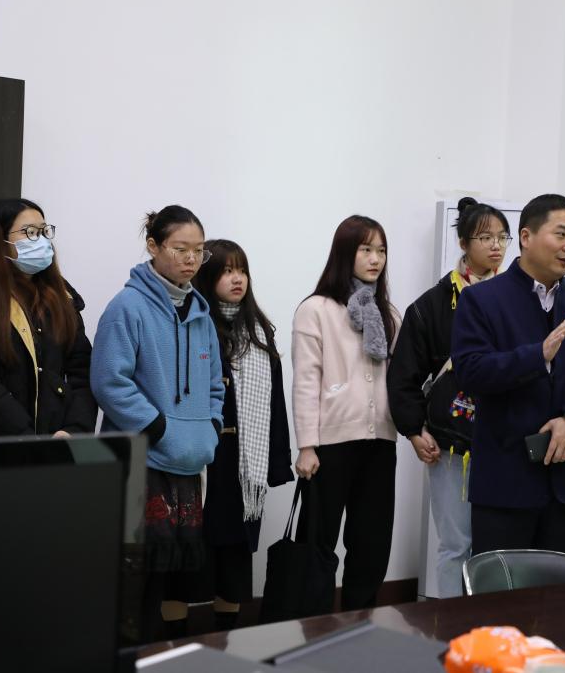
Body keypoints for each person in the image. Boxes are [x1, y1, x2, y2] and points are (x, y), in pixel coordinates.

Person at [451, 193, 565, 557]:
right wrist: (536, 357)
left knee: (562, 589)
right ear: (526, 237)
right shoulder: (482, 300)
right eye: (561, 234)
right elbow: (470, 371)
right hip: (505, 485)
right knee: (501, 588)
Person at [90, 205, 225, 640]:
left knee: (167, 576)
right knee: (133, 575)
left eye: (199, 251)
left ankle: (149, 656)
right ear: (153, 246)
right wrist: (157, 426)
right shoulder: (127, 306)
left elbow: (216, 385)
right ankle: (124, 655)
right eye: (181, 249)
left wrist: (211, 425)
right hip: (141, 460)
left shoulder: (201, 313)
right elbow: (108, 381)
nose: (191, 259)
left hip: (187, 462)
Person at [387, 197, 510, 597]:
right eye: (485, 237)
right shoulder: (432, 305)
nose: (496, 246)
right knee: (455, 544)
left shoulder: (519, 298)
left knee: (499, 548)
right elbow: (403, 375)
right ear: (462, 243)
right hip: (451, 443)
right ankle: (453, 625)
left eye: (502, 237)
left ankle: (490, 627)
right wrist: (413, 430)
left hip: (507, 441)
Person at [292, 215, 401, 610]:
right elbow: (306, 380)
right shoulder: (316, 310)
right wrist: (307, 446)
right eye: (365, 249)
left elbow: (398, 378)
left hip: (380, 442)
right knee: (317, 543)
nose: (375, 259)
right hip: (329, 445)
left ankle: (360, 622)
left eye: (381, 250)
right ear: (344, 253)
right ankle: (312, 626)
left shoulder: (389, 314)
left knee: (372, 542)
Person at [191, 239, 293, 631]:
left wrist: (278, 461)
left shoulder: (258, 332)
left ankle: (227, 636)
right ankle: (177, 638)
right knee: (192, 553)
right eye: (227, 271)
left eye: (242, 270)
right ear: (207, 277)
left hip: (244, 462)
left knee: (235, 553)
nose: (237, 279)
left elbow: (275, 403)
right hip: (203, 458)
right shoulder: (194, 326)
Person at [0, 198, 97, 437]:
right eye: (29, 232)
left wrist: (74, 429)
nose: (41, 240)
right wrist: (26, 437)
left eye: (43, 231)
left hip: (54, 444)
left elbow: (82, 370)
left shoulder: (62, 297)